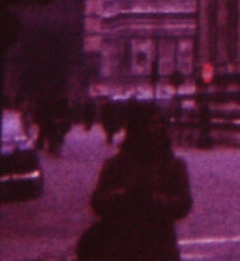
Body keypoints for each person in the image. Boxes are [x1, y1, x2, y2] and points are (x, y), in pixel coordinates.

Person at [78, 103, 192, 261]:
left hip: (159, 247)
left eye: (158, 123)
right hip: (122, 247)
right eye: (149, 123)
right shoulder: (116, 164)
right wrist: (124, 196)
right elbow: (98, 202)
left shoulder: (173, 165)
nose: (154, 129)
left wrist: (153, 200)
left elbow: (183, 204)